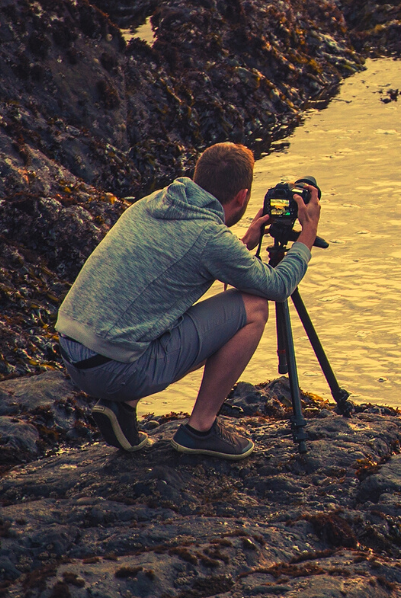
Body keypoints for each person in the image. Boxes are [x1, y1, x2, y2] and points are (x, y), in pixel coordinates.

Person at [55, 142, 320, 459]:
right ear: (243, 197)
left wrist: (241, 244)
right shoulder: (210, 239)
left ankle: (121, 407)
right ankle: (201, 429)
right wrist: (307, 234)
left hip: (73, 354)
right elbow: (278, 286)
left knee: (153, 309)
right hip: (115, 371)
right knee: (254, 307)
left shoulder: (155, 202)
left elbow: (190, 249)